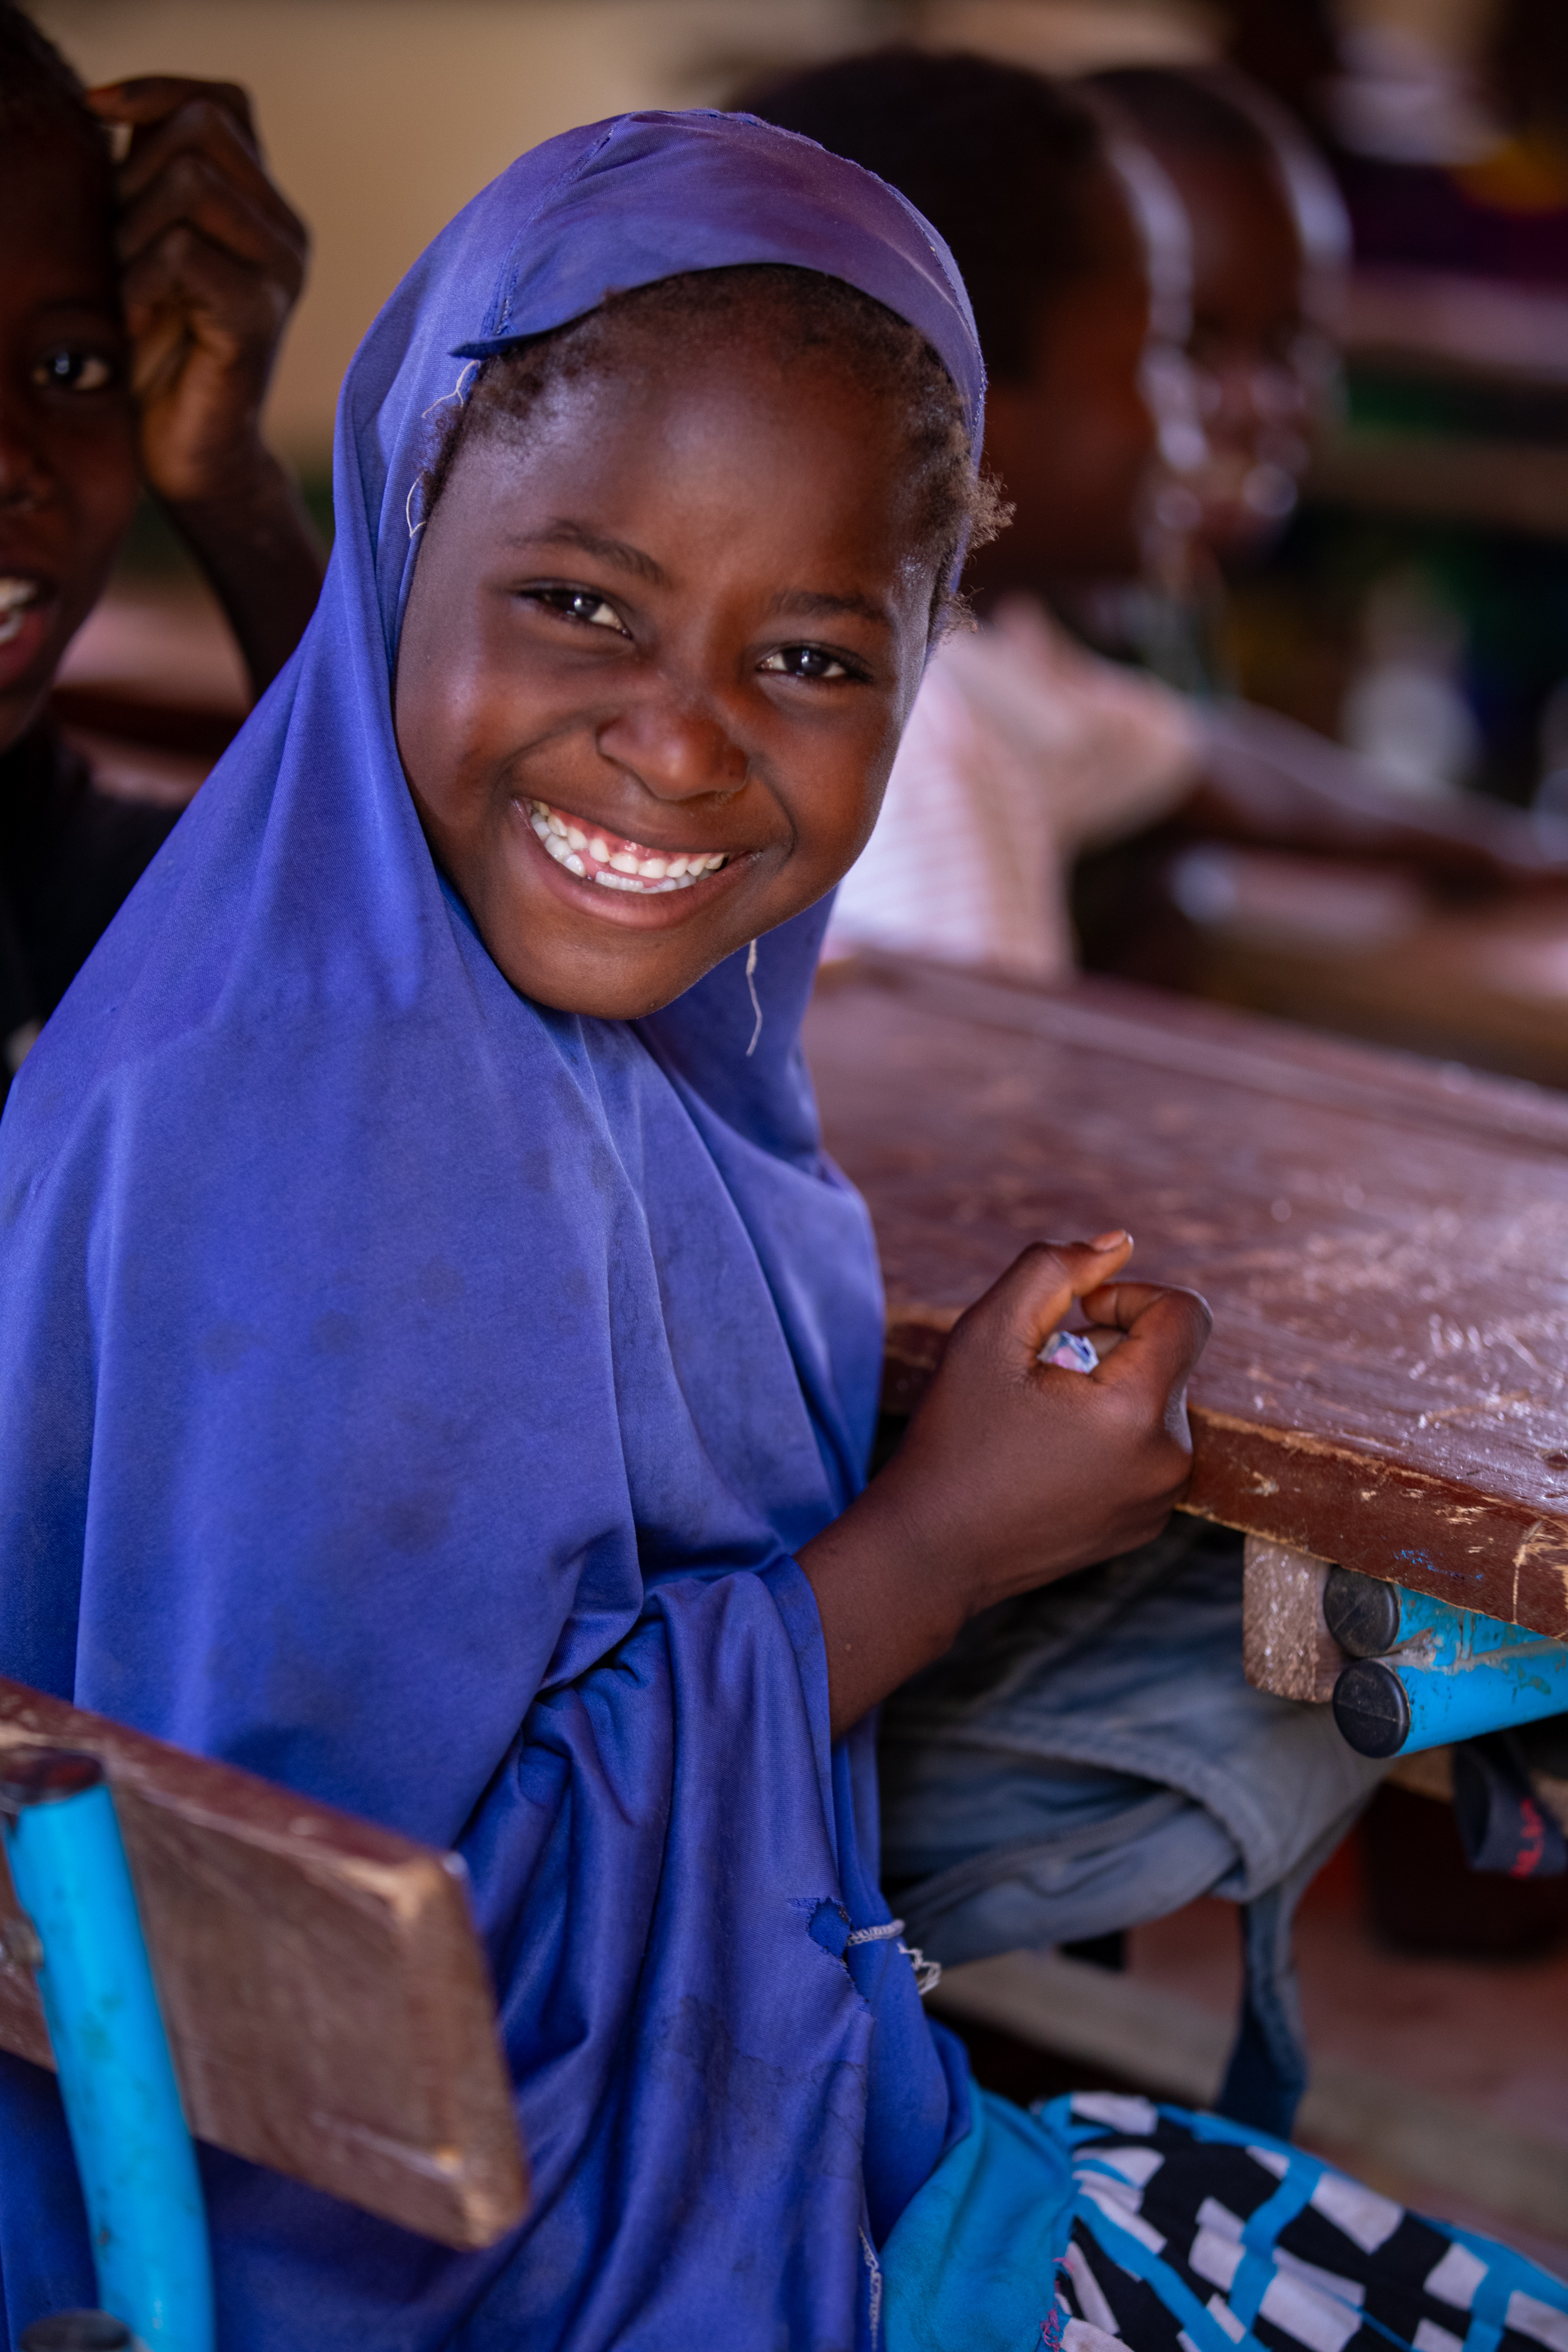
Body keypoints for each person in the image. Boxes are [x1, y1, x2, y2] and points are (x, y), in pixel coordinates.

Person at [2, 101, 1562, 2352]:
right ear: (396, 541)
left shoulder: (367, 1016)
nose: (676, 744)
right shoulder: (360, 1158)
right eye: (577, 605)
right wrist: (930, 1549)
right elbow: (388, 1971)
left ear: (927, 666)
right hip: (517, 2281)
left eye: (811, 661)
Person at [744, 49, 1568, 993]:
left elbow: (1192, 760)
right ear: (964, 403)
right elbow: (984, 1081)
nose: (1209, 413)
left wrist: (1511, 857)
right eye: (1170, 356)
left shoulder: (984, 658)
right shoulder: (922, 758)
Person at [0, 4, 320, 1092]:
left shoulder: (37, 850)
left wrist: (229, 484)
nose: (11, 460)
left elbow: (402, 970)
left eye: (70, 370)